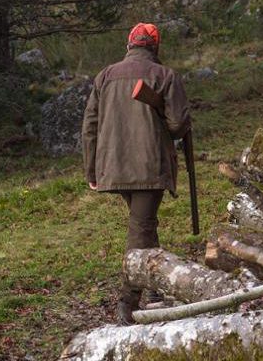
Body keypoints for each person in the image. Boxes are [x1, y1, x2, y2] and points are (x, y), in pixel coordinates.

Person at [81, 23, 192, 324]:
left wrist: (93, 169)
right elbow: (177, 126)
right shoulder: (166, 76)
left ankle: (153, 288)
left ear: (129, 44)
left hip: (113, 166)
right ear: (155, 46)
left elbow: (90, 124)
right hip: (148, 165)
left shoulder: (105, 75)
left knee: (144, 224)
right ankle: (127, 303)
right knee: (140, 229)